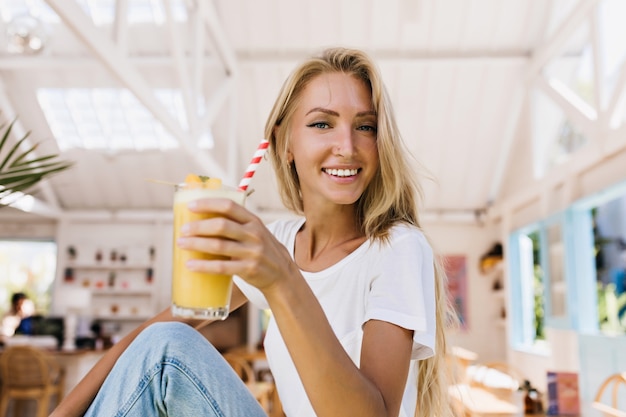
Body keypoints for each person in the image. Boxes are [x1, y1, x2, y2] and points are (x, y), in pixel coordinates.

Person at [51, 47, 456, 417]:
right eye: (322, 124)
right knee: (166, 343)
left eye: (365, 127)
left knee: (167, 350)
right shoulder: (279, 239)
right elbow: (154, 334)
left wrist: (283, 281)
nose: (347, 146)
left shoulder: (398, 248)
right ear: (284, 144)